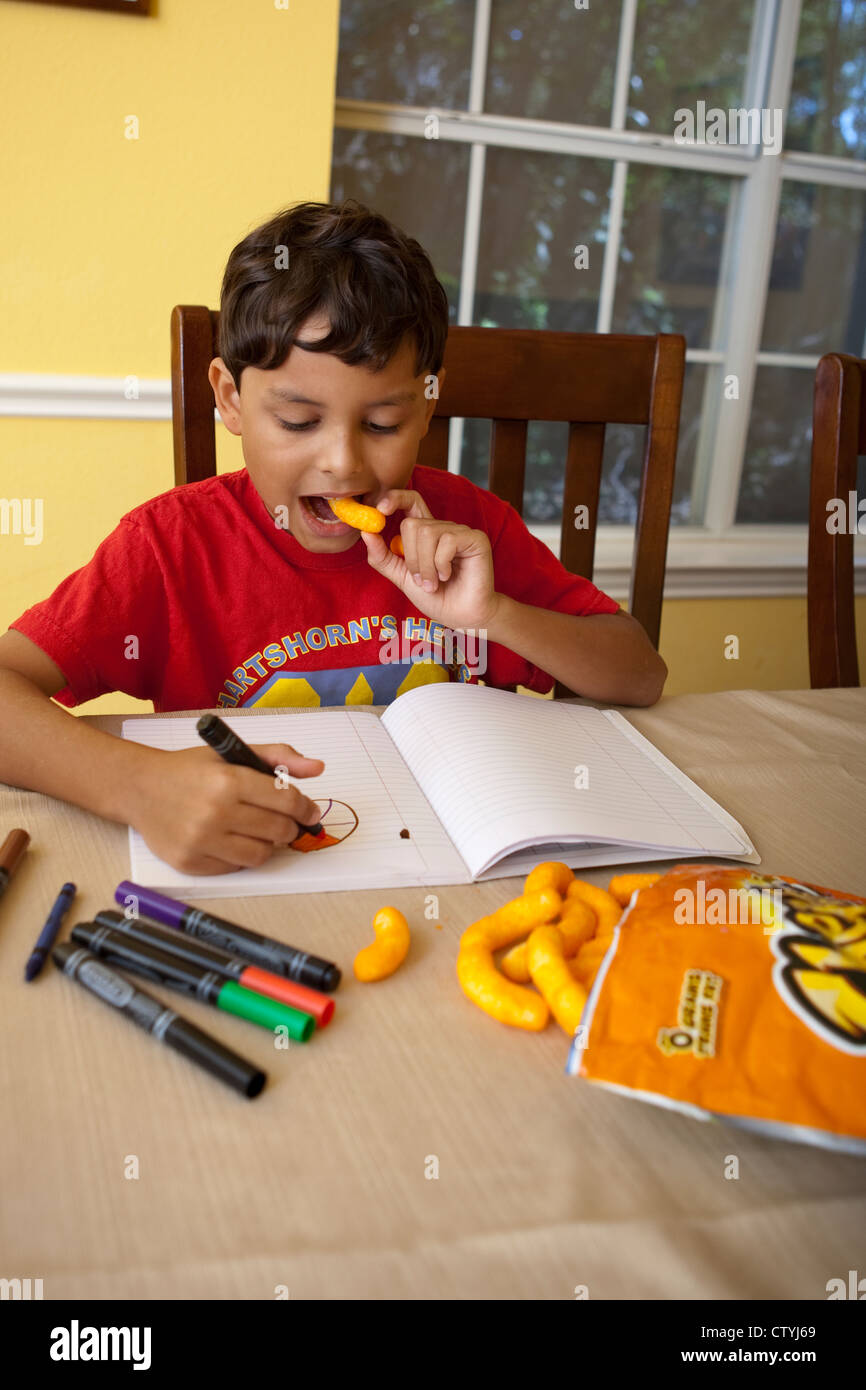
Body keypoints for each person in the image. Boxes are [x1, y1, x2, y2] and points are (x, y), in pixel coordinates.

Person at [0, 200, 667, 876]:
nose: (344, 464)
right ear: (229, 398)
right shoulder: (171, 547)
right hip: (266, 873)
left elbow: (640, 675)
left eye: (381, 424)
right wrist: (139, 787)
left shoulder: (469, 530)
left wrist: (495, 616)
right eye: (296, 420)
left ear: (427, 406)